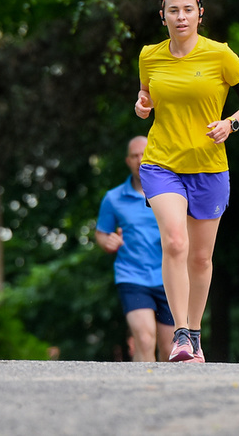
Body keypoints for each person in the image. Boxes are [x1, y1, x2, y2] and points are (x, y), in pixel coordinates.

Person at [134, 0, 239, 363]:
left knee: (201, 258)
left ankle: (195, 332)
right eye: (173, 11)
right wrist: (143, 107)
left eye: (188, 10)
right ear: (163, 17)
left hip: (209, 167)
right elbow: (148, 97)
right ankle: (180, 335)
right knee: (175, 242)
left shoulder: (221, 55)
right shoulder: (149, 56)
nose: (181, 16)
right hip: (162, 163)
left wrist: (230, 125)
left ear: (199, 14)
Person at [95, 136, 175, 362]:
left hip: (168, 277)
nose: (140, 159)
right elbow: (102, 233)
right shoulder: (114, 198)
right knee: (144, 339)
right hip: (132, 276)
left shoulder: (172, 193)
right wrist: (106, 241)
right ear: (127, 161)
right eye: (134, 156)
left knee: (170, 351)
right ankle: (142, 393)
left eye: (145, 153)